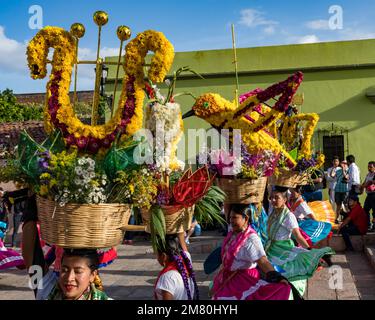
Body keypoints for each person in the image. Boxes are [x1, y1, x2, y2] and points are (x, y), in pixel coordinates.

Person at [21, 191, 111, 300]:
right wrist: (31, 207)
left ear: (93, 275)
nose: (69, 278)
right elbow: (31, 258)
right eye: (64, 270)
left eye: (78, 271)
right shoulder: (46, 290)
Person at [210, 204, 292, 300]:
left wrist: (277, 277)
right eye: (230, 217)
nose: (231, 221)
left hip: (243, 280)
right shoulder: (233, 234)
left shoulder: (251, 239)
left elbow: (262, 260)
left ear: (246, 219)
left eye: (235, 218)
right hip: (229, 278)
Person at [265, 188, 334, 295]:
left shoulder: (288, 216)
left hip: (283, 249)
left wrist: (310, 251)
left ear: (284, 199)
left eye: (276, 197)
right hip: (271, 248)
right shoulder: (273, 212)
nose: (273, 200)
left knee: (284, 275)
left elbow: (298, 236)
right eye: (271, 198)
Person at [154, 234, 198, 300]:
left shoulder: (167, 278)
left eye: (157, 254)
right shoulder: (186, 260)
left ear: (163, 256)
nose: (156, 257)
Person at [361, 161, 375, 231]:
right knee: (365, 210)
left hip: (374, 194)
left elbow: (369, 183)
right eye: (368, 167)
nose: (369, 168)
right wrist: (362, 187)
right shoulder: (368, 174)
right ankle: (368, 225)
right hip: (369, 195)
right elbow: (365, 182)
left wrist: (363, 186)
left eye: (371, 167)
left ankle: (374, 226)